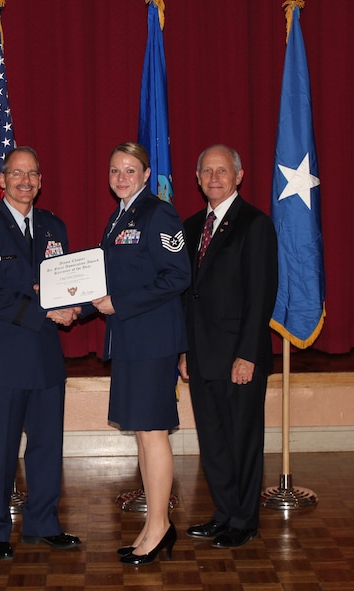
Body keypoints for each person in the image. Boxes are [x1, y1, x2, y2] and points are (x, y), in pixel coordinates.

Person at [0, 146, 82, 561]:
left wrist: (73, 304)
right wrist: (47, 309)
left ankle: (43, 524)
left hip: (45, 355)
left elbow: (65, 282)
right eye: (17, 174)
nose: (25, 181)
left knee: (48, 446)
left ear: (41, 181)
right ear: (3, 181)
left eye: (32, 174)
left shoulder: (54, 227)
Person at [90, 142, 190, 565]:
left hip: (153, 341)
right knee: (143, 437)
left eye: (130, 170)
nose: (122, 177)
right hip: (131, 341)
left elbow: (177, 276)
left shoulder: (159, 213)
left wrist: (121, 303)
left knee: (152, 434)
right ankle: (154, 526)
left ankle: (159, 527)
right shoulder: (119, 218)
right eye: (115, 170)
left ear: (147, 175)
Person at [178, 144, 278, 549]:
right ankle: (223, 513)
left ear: (239, 176)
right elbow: (187, 295)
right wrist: (185, 350)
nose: (214, 177)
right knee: (214, 441)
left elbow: (261, 295)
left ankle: (244, 519)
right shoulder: (188, 228)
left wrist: (248, 354)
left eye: (222, 170)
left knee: (243, 440)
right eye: (207, 171)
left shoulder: (255, 224)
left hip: (240, 356)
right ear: (197, 178)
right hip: (201, 355)